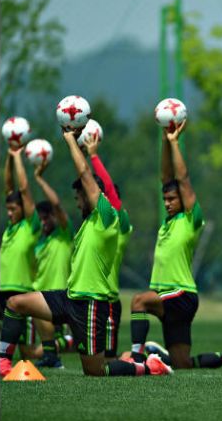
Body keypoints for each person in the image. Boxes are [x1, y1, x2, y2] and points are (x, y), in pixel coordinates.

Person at [0, 128, 170, 377]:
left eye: (79, 196)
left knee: (96, 371)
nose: (77, 201)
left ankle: (148, 366)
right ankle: (3, 362)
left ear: (92, 195)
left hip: (91, 304)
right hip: (69, 297)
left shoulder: (106, 216)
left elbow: (85, 174)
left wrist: (71, 140)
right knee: (15, 303)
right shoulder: (87, 224)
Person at [118, 119, 209, 374]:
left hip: (180, 294)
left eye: (172, 199)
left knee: (138, 301)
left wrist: (174, 142)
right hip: (169, 297)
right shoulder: (168, 223)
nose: (167, 203)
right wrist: (163, 139)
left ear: (185, 199)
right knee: (182, 363)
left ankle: (136, 359)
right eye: (165, 200)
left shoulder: (191, 219)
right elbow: (166, 177)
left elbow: (182, 178)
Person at [83, 133, 128, 361]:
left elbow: (107, 189)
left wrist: (93, 156)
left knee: (107, 360)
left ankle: (145, 361)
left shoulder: (119, 221)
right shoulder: (94, 222)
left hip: (108, 301)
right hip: (87, 297)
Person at [30, 157, 74, 369]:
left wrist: (39, 179)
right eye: (42, 218)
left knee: (33, 352)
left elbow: (56, 204)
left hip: (63, 296)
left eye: (48, 217)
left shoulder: (64, 235)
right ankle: (53, 356)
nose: (45, 221)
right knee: (29, 354)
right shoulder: (38, 243)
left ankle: (69, 342)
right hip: (42, 300)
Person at [0, 144, 40, 361]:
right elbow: (9, 185)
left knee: (28, 352)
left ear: (23, 208)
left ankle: (62, 345)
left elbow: (23, 189)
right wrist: (9, 155)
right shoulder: (11, 228)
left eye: (13, 208)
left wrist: (18, 158)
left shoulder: (30, 225)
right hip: (2, 289)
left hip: (22, 292)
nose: (9, 212)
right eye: (7, 208)